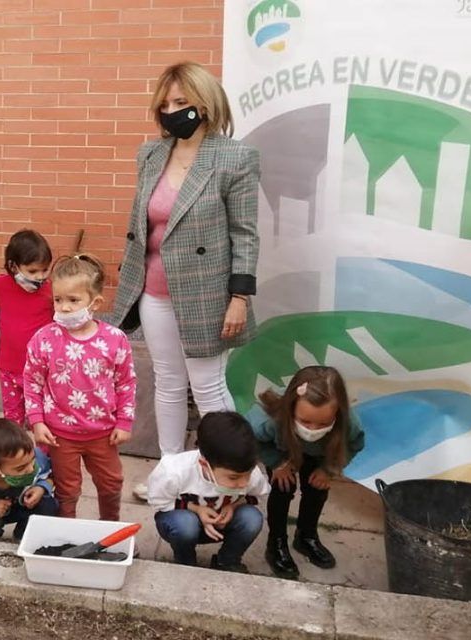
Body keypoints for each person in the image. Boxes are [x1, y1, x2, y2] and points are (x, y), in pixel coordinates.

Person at [111, 62, 260, 498]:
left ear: (205, 104)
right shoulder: (151, 154)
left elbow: (245, 234)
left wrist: (240, 297)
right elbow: (147, 225)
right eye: (165, 103)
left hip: (207, 295)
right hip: (153, 290)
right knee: (168, 383)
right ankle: (170, 472)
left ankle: (227, 477)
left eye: (181, 102)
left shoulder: (234, 157)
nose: (170, 110)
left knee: (209, 388)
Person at [23, 255, 136, 521]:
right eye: (58, 299)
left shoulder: (114, 340)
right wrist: (37, 422)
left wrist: (124, 421)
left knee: (111, 484)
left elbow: (126, 382)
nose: (63, 307)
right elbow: (31, 381)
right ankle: (67, 531)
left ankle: (110, 528)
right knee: (67, 488)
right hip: (60, 435)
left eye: (73, 300)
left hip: (104, 434)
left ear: (94, 302)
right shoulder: (44, 339)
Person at [251, 366, 364, 579]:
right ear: (291, 406)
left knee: (317, 489)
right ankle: (276, 542)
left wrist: (328, 470)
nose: (312, 429)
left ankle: (306, 536)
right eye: (305, 421)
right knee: (283, 488)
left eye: (323, 423)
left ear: (338, 413)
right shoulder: (269, 419)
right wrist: (277, 464)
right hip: (283, 451)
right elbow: (254, 439)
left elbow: (354, 444)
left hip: (321, 454)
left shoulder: (349, 425)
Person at [147, 412, 269, 573]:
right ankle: (185, 563)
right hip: (184, 524)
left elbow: (258, 494)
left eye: (248, 474)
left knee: (252, 518)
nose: (244, 483)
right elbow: (159, 501)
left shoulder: (246, 470)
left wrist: (234, 506)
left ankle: (227, 561)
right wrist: (197, 509)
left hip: (222, 523)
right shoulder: (173, 471)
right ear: (205, 465)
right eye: (234, 477)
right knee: (185, 525)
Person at [0, 229, 54, 426]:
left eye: (44, 270)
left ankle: (43, 456)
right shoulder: (1, 284)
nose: (39, 277)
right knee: (13, 418)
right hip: (9, 367)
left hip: (42, 369)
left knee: (43, 421)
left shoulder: (51, 290)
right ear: (13, 266)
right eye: (32, 271)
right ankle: (16, 455)